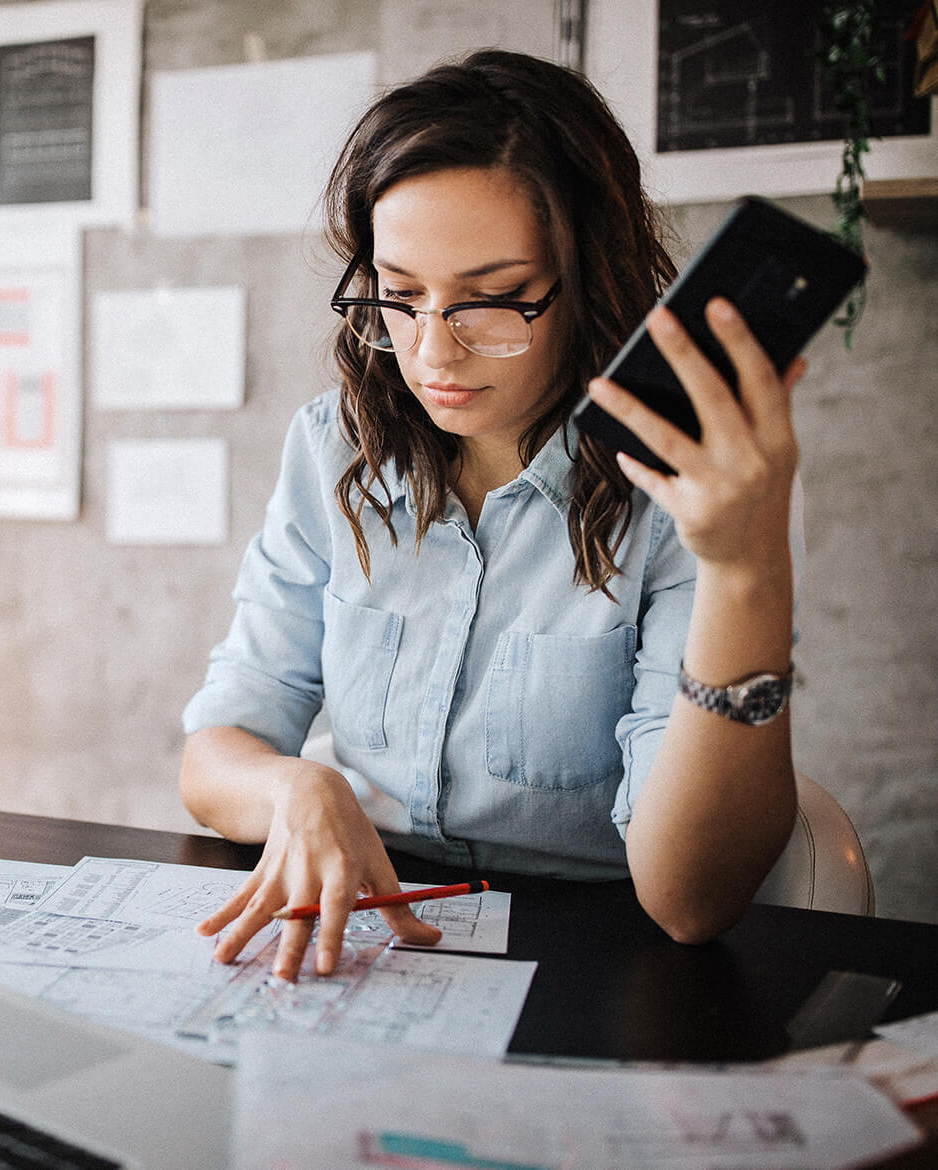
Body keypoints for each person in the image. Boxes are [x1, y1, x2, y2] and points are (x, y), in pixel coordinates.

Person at [179, 49, 804, 981]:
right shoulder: (335, 449)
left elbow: (691, 902)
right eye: (401, 295)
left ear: (588, 279)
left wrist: (746, 569)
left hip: (597, 962)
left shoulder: (687, 492)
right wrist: (297, 787)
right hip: (373, 944)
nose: (433, 351)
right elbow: (216, 753)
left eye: (494, 300)